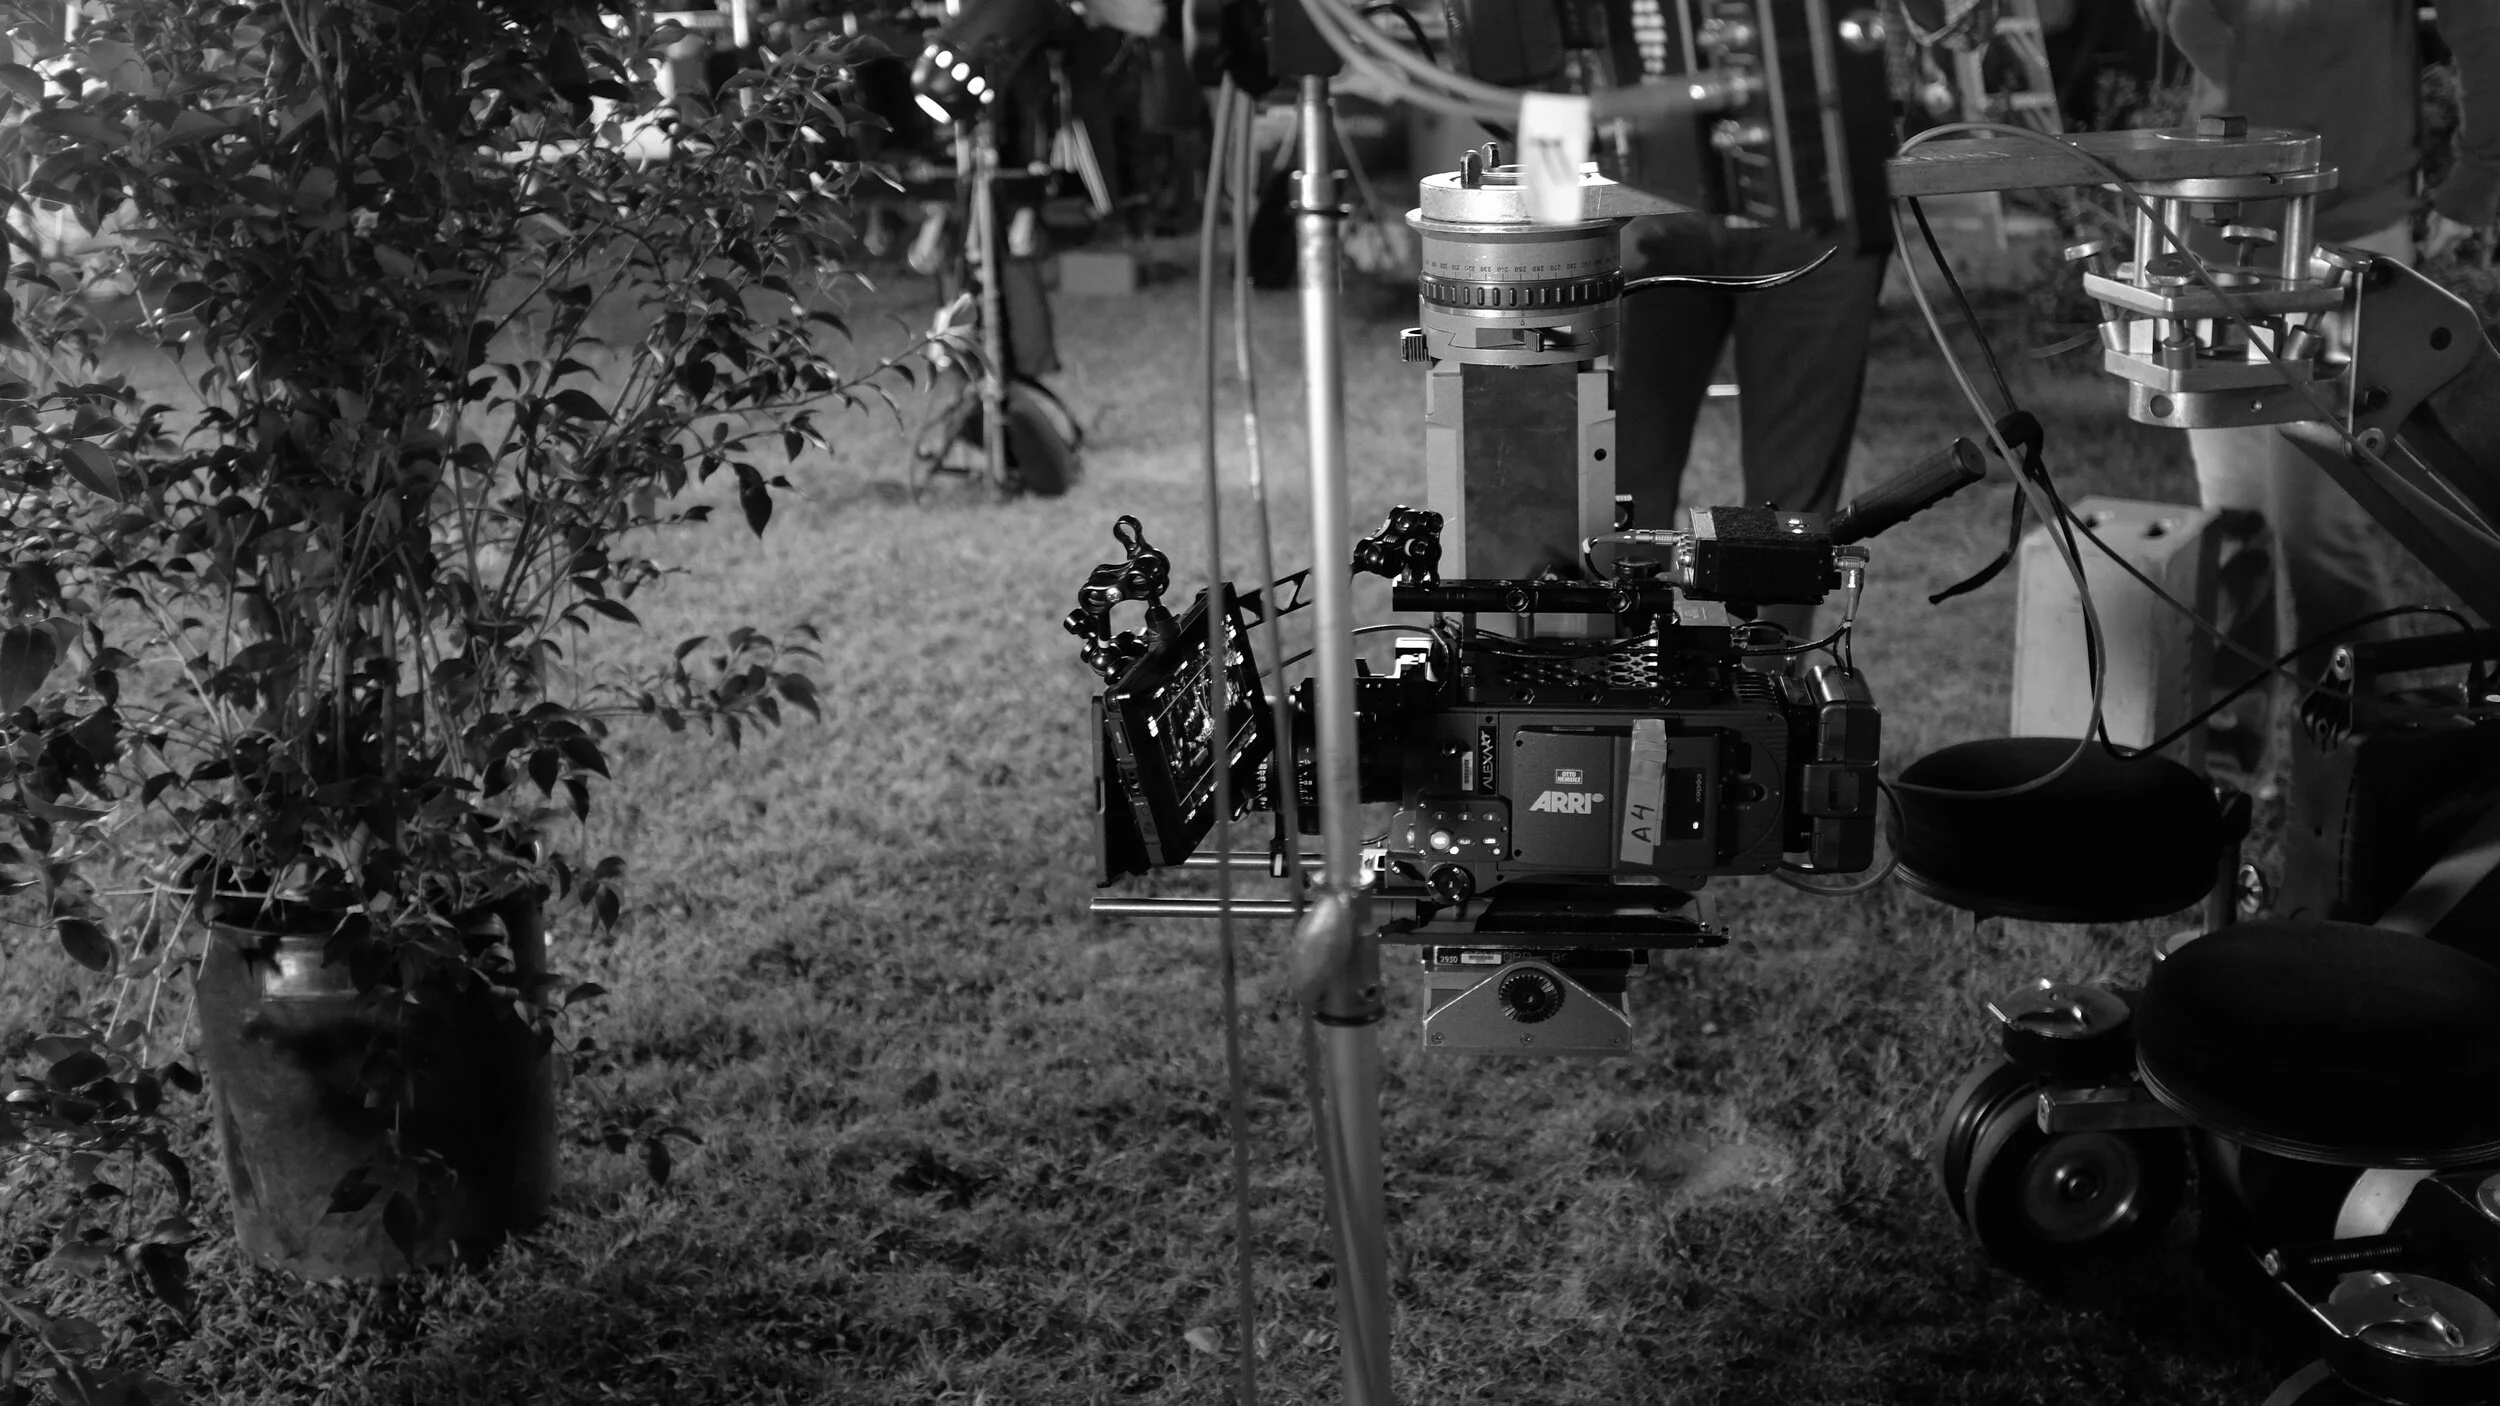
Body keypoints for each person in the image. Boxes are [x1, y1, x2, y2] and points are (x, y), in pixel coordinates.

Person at [2157, 0, 2500, 778]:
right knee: (2231, 521)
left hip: (2341, 238)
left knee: (2319, 529)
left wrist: (2479, 176)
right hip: (2217, 227)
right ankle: (2227, 772)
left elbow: (2482, 20)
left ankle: (2367, 776)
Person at [1611, 219, 1894, 641]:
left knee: (1791, 511)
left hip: (1817, 222)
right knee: (1618, 479)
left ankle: (1770, 668)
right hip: (1654, 215)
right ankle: (1618, 659)